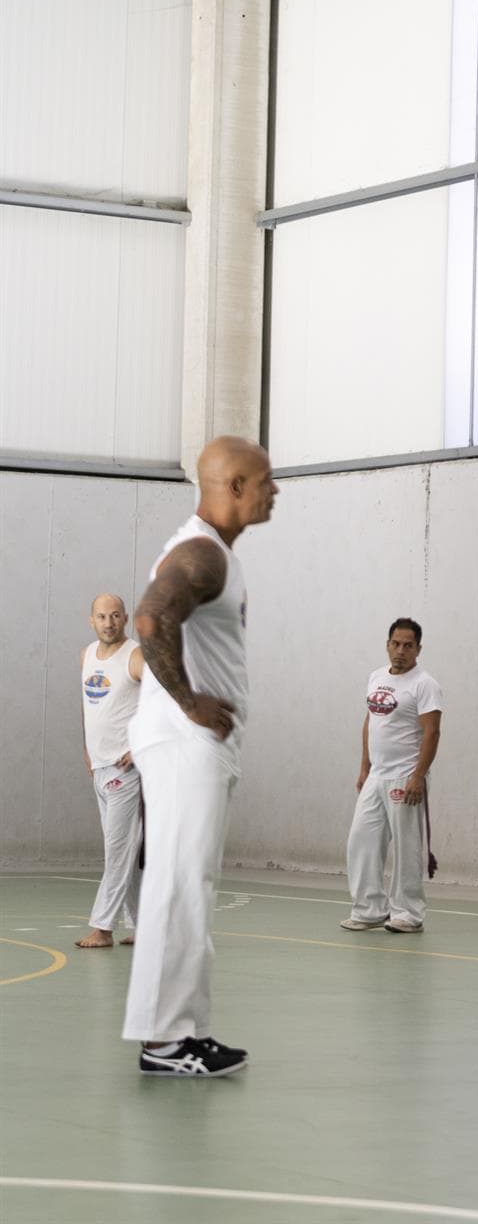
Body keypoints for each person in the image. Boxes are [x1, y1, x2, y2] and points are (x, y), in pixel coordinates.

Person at [123, 435, 277, 1078]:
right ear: (233, 487)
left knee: (188, 881)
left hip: (192, 744)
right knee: (180, 882)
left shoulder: (215, 555)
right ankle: (167, 1040)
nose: (275, 491)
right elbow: (152, 619)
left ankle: (180, 1030)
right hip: (185, 743)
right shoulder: (201, 554)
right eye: (265, 480)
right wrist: (187, 701)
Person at [342, 619, 443, 934]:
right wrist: (364, 766)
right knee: (361, 841)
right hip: (376, 776)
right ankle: (370, 909)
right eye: (396, 644)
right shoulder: (375, 677)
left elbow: (432, 732)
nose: (401, 651)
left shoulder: (424, 684)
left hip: (405, 777)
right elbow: (369, 722)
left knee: (406, 847)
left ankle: (408, 913)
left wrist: (418, 776)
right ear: (388, 644)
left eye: (408, 646)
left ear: (418, 649)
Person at [78, 593, 145, 949]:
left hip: (125, 772)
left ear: (125, 618)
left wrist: (140, 747)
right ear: (92, 620)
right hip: (99, 769)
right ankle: (144, 925)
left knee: (117, 850)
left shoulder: (136, 657)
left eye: (115, 615)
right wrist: (86, 748)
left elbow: (165, 700)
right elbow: (87, 706)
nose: (108, 622)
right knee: (126, 852)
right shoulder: (86, 655)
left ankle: (102, 928)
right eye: (102, 616)